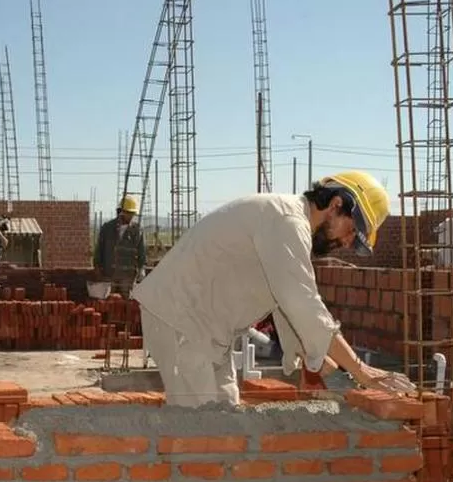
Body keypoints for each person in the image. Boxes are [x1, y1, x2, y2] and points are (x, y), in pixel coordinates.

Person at [131, 171, 415, 408]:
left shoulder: (291, 224)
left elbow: (284, 302)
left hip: (205, 328)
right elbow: (301, 301)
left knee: (225, 415)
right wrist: (361, 371)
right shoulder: (287, 221)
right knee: (201, 429)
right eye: (352, 231)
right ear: (336, 204)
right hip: (181, 318)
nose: (346, 243)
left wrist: (311, 358)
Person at [94, 195, 147, 297]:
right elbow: (99, 249)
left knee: (126, 306)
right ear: (122, 212)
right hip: (109, 273)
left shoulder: (137, 230)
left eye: (132, 213)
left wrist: (141, 269)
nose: (131, 216)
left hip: (128, 276)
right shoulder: (108, 228)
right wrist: (97, 266)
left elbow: (141, 252)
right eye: (129, 213)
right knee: (108, 303)